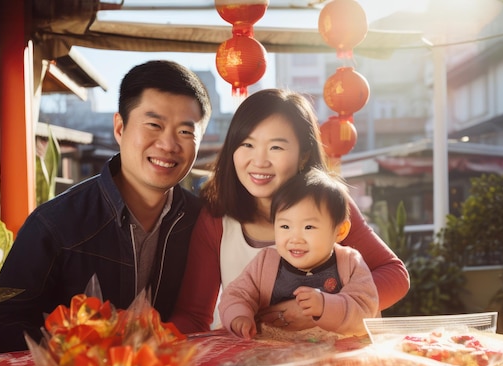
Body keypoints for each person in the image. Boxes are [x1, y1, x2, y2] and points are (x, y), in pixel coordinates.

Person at [0, 60, 212, 353]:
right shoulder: (54, 225)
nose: (168, 144)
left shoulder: (201, 222)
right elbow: (4, 328)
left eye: (185, 132)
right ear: (120, 127)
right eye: (154, 125)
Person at [170, 89, 408, 334]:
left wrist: (320, 310)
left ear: (303, 155)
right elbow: (195, 314)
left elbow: (394, 275)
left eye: (276, 147)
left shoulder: (328, 204)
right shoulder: (217, 217)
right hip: (255, 363)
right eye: (247, 144)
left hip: (336, 361)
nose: (259, 161)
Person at [219, 168, 379, 340]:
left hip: (335, 354)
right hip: (273, 352)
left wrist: (326, 306)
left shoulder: (349, 263)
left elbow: (365, 310)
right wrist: (239, 316)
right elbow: (236, 294)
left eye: (308, 227)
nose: (295, 239)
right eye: (285, 227)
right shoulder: (265, 263)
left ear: (340, 231)